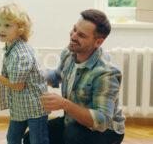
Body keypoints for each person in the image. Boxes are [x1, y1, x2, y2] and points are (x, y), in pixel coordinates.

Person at [23, 9, 125, 144]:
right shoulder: (69, 53)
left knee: (72, 135)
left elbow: (102, 121)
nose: (73, 36)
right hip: (73, 121)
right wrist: (32, 75)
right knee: (30, 138)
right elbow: (57, 76)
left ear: (98, 42)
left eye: (81, 35)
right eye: (74, 29)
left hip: (106, 132)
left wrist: (65, 104)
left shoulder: (106, 73)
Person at [0, 3, 49, 144]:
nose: (1, 29)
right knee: (12, 138)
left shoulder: (20, 53)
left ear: (19, 29)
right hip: (21, 106)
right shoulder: (10, 46)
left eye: (7, 26)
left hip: (35, 106)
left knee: (38, 140)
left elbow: (17, 85)